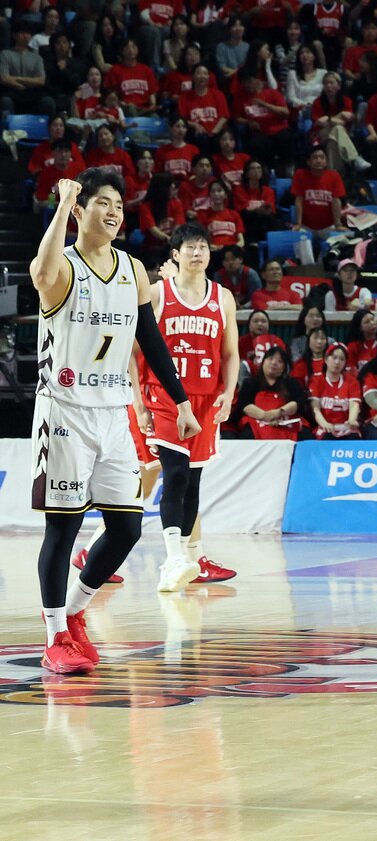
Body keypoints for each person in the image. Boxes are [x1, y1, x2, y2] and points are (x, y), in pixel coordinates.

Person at [28, 169, 198, 674]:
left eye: (119, 205)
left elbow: (151, 339)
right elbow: (40, 269)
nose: (113, 212)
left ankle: (76, 612)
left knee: (126, 527)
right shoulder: (63, 267)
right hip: (63, 410)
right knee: (64, 528)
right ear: (81, 211)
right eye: (101, 202)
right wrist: (62, 205)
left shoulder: (133, 270)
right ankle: (55, 634)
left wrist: (181, 400)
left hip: (112, 412)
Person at [132, 224, 240, 591]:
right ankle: (173, 558)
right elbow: (134, 353)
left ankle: (188, 557)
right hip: (163, 397)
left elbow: (231, 354)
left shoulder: (223, 298)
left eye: (203, 247)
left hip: (205, 400)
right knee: (173, 473)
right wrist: (139, 402)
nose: (198, 253)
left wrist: (229, 390)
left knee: (192, 479)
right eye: (190, 247)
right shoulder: (158, 293)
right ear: (174, 254)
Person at [236, 345, 305, 439]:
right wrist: (264, 416)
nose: (274, 363)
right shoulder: (250, 382)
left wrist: (278, 413)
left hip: (284, 421)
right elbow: (244, 404)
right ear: (263, 362)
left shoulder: (291, 383)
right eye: (270, 358)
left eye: (279, 361)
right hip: (256, 421)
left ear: (284, 367)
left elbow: (299, 402)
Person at [309, 342, 362, 439]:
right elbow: (315, 408)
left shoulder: (352, 382)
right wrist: (324, 424)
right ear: (326, 359)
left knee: (354, 440)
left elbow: (354, 404)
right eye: (334, 357)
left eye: (342, 359)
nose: (337, 362)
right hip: (325, 427)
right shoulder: (316, 380)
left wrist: (351, 420)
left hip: (346, 427)